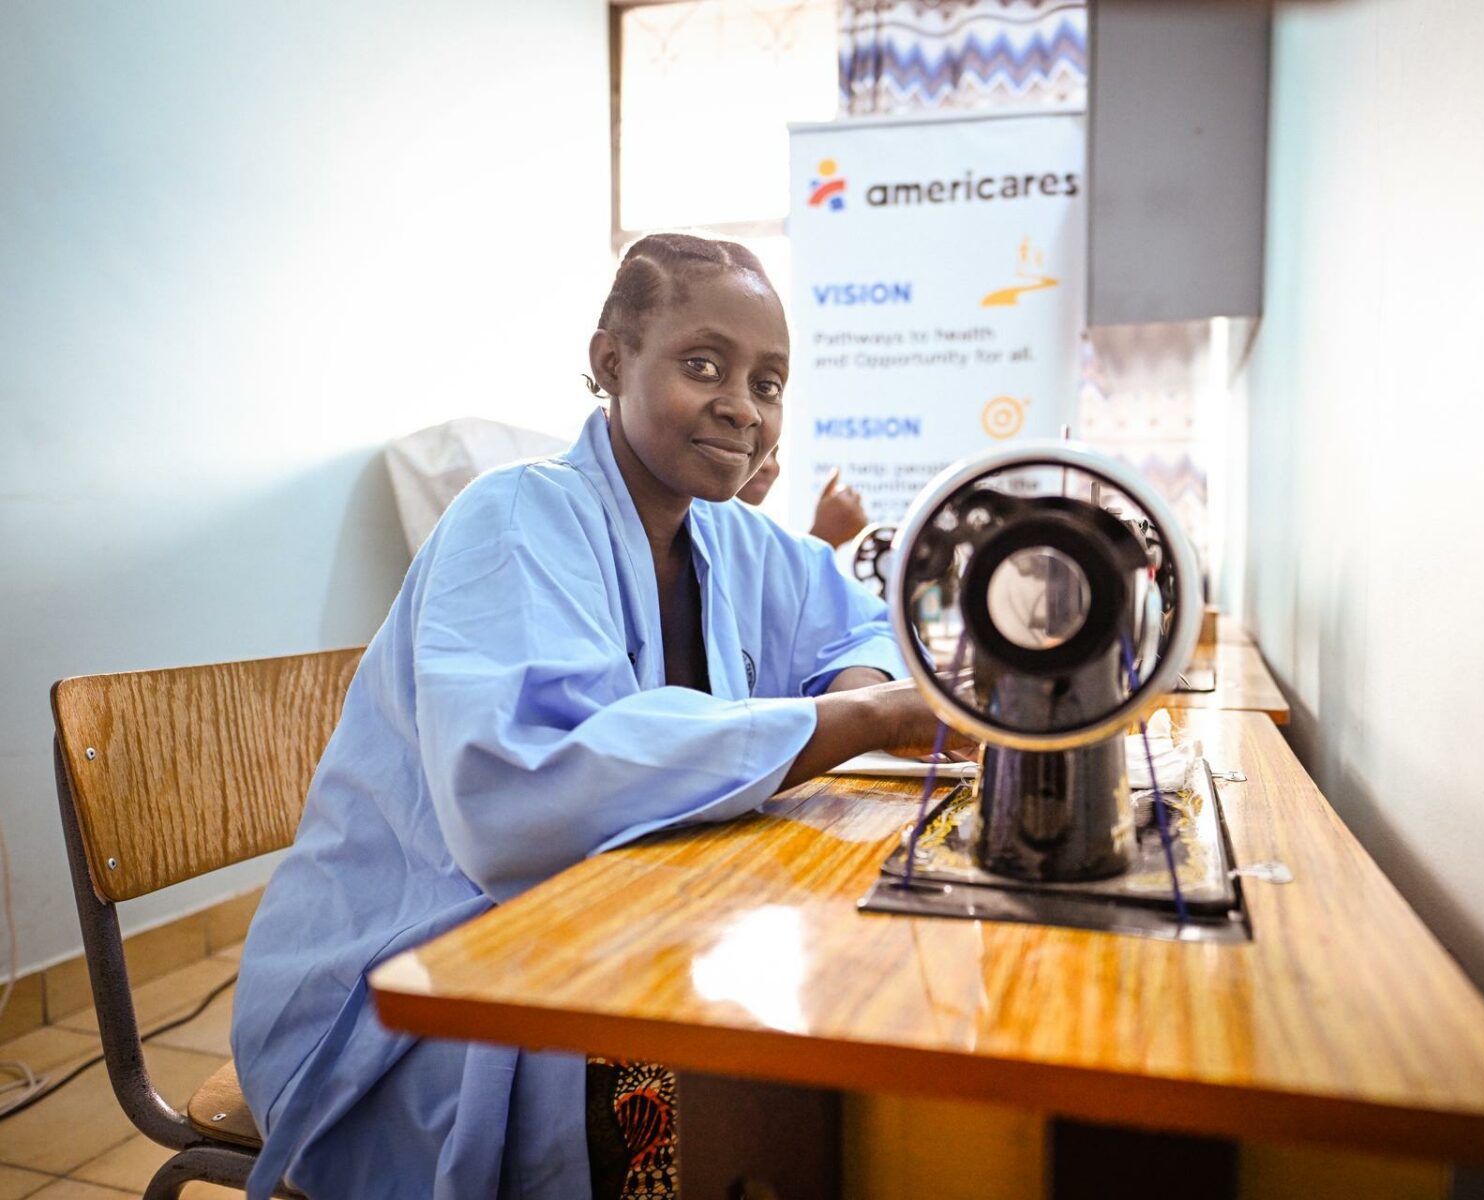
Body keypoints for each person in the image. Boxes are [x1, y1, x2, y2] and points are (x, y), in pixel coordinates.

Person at [232, 234, 955, 1200]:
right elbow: (527, 793)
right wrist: (866, 722)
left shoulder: (733, 538)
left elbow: (858, 622)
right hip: (413, 992)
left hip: (596, 938)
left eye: (769, 382)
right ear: (613, 362)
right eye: (705, 365)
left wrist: (855, 693)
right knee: (738, 1088)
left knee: (842, 1021)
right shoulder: (514, 517)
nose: (743, 404)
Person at [735, 448, 868, 548]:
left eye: (774, 454)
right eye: (750, 451)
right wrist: (824, 536)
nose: (768, 465)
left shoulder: (763, 534)